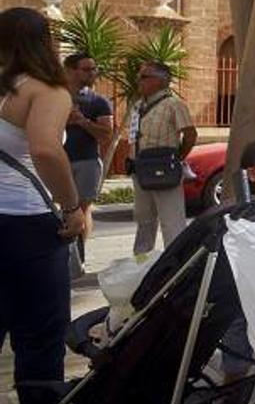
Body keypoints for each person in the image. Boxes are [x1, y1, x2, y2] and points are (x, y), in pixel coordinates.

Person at [0, 8, 90, 404]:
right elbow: (43, 148)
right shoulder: (47, 88)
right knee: (39, 331)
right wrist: (73, 207)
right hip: (26, 224)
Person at [129, 62, 196, 255]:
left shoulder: (173, 105)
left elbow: (190, 135)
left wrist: (177, 158)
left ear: (160, 81)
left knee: (172, 222)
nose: (138, 80)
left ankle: (176, 264)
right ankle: (141, 262)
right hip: (141, 170)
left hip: (164, 170)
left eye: (144, 76)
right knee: (144, 220)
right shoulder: (138, 106)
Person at [62, 51, 113, 264]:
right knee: (61, 209)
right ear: (71, 71)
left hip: (87, 162)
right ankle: (64, 254)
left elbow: (105, 134)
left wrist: (83, 121)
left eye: (94, 69)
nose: (92, 73)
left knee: (82, 209)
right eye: (86, 69)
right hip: (59, 162)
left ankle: (78, 257)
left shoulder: (98, 101)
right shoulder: (54, 97)